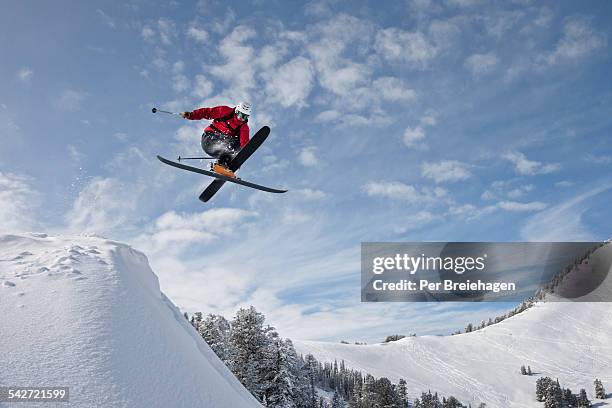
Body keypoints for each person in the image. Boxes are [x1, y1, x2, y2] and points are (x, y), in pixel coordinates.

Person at [180, 102, 251, 177]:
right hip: (209, 140)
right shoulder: (226, 111)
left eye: (245, 117)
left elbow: (244, 144)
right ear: (236, 111)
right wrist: (191, 115)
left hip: (221, 149)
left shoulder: (244, 128)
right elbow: (208, 112)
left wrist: (239, 158)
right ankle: (221, 164)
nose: (241, 119)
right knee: (229, 143)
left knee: (236, 144)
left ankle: (223, 165)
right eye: (240, 115)